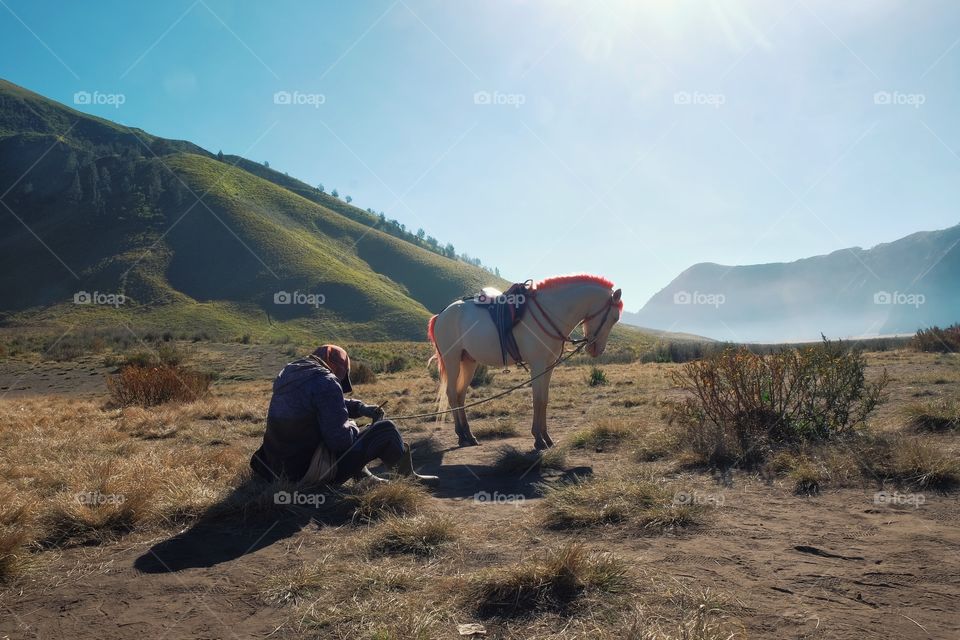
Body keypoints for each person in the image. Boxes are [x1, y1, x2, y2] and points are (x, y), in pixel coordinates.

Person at [250, 344, 436, 484]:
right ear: (336, 367)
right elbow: (340, 442)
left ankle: (364, 477)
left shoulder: (290, 373)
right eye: (342, 375)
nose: (340, 381)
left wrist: (361, 408)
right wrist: (353, 426)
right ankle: (409, 479)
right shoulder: (326, 381)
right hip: (306, 473)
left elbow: (323, 404)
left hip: (274, 469)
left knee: (345, 428)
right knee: (385, 430)